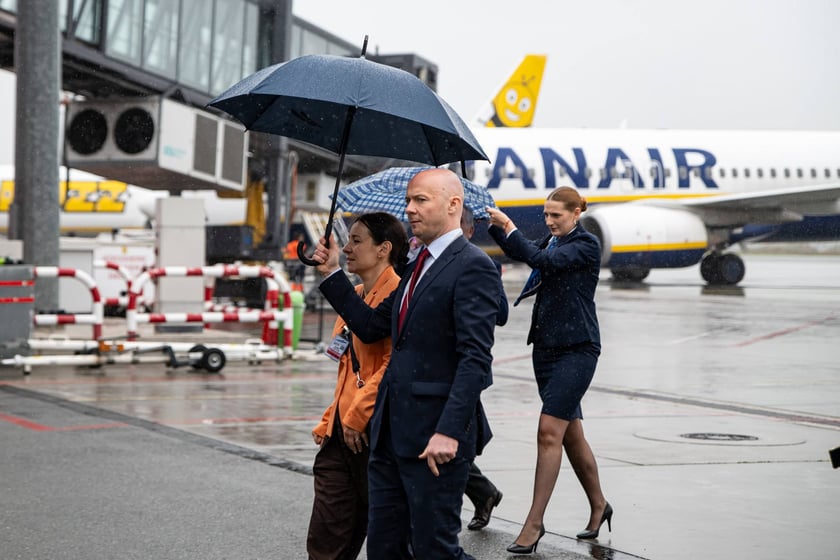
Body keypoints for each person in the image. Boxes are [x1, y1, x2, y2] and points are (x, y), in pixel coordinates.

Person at [312, 168, 501, 559]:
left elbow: (474, 359)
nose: (410, 209)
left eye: (421, 200)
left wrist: (448, 431)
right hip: (389, 435)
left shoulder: (472, 265)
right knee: (385, 549)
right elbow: (367, 327)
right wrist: (331, 271)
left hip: (433, 435)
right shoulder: (416, 267)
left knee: (434, 550)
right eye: (409, 200)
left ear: (453, 205)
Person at [486, 186, 612, 554]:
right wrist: (493, 223)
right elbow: (521, 251)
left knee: (547, 431)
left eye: (557, 215)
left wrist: (509, 225)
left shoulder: (584, 245)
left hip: (578, 349)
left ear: (576, 213)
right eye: (546, 215)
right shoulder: (554, 242)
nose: (550, 221)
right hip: (546, 350)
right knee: (570, 434)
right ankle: (600, 505)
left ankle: (534, 523)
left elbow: (543, 261)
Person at [306, 212, 409, 560]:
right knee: (326, 535)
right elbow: (349, 366)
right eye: (347, 240)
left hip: (373, 433)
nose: (347, 248)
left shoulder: (400, 294)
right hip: (342, 433)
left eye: (356, 240)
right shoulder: (358, 293)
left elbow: (391, 364)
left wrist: (357, 414)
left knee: (385, 537)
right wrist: (331, 417)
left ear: (383, 249)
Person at [460, 207, 507, 531]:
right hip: (432, 368)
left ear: (468, 230)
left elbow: (501, 313)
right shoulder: (420, 256)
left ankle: (483, 492)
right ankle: (483, 492)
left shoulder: (479, 262)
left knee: (453, 440)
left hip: (465, 366)